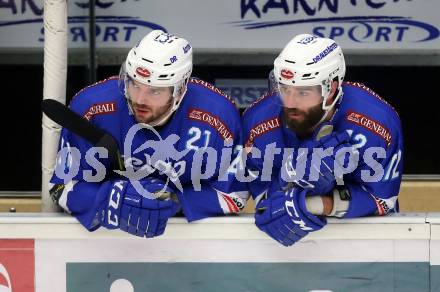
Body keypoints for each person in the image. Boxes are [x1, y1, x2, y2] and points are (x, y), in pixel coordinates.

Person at [50, 30, 247, 238]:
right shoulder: (92, 106)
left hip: (189, 243)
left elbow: (234, 195)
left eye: (155, 91)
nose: (140, 100)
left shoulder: (218, 115)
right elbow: (61, 187)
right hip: (106, 238)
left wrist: (172, 201)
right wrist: (112, 198)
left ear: (179, 90)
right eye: (134, 85)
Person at [242, 34, 403, 246]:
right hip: (281, 250)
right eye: (284, 89)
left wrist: (318, 204)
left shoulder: (376, 123)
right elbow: (267, 207)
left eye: (303, 93)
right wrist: (291, 179)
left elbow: (382, 201)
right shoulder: (258, 120)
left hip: (364, 246)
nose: (289, 103)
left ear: (332, 88)